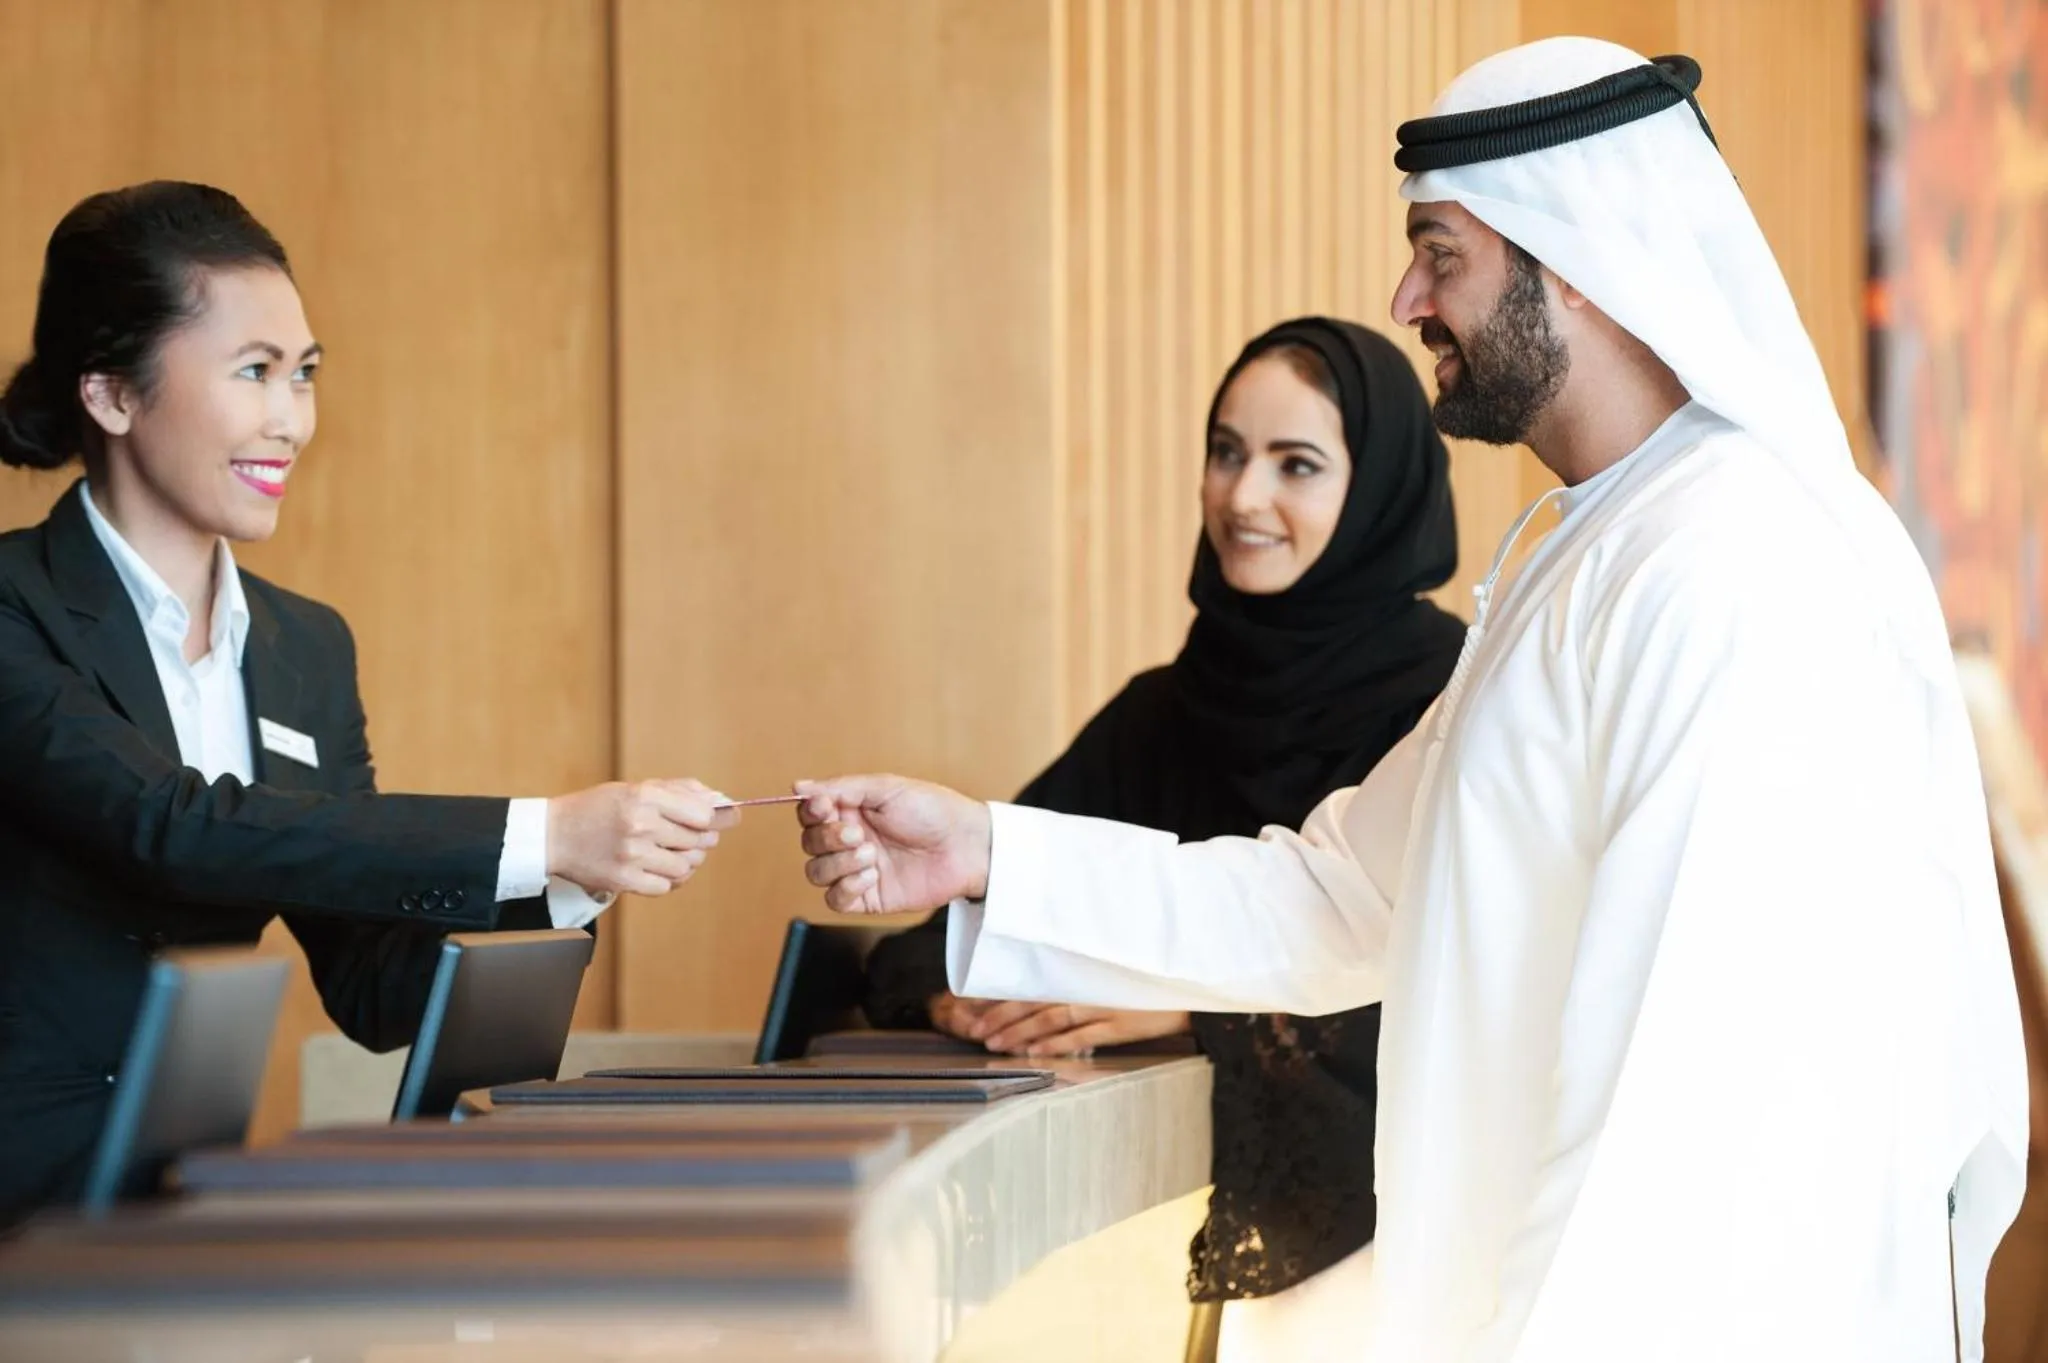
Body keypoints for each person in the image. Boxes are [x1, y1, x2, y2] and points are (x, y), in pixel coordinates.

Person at [792, 40, 2028, 1363]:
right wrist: (989, 851)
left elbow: (1674, 1128)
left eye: (1441, 253)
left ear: (1575, 258)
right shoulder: (1588, 551)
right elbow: (1345, 897)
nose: (1408, 297)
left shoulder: (1734, 567)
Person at [0, 181, 738, 1224]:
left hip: (174, 1211)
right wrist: (547, 830)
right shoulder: (11, 609)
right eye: (253, 372)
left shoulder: (303, 647)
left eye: (302, 375)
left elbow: (374, 983)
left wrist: (576, 873)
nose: (290, 420)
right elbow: (169, 827)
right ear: (112, 395)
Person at [861, 316, 1462, 1360]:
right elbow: (927, 940)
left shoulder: (1447, 703)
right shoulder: (1166, 711)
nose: (1241, 496)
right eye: (1225, 452)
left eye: (1296, 464)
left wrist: (1179, 1001)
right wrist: (986, 995)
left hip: (1410, 1280)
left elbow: (1452, 993)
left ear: (1378, 494)